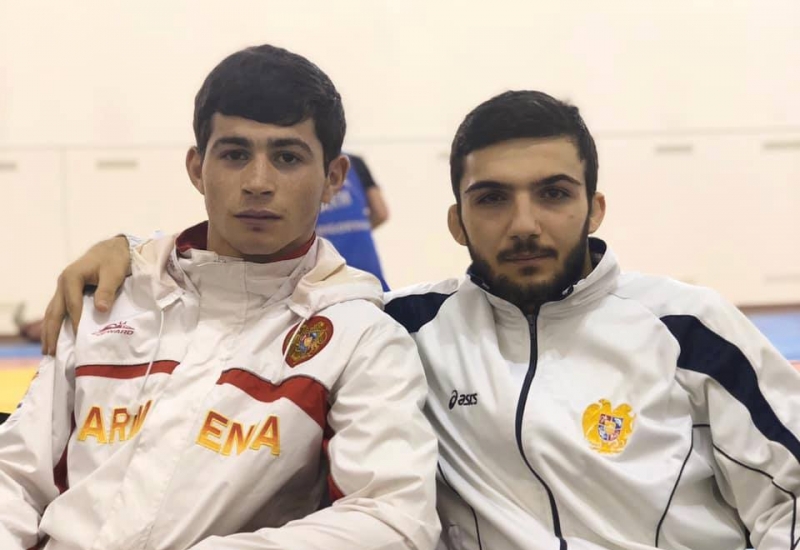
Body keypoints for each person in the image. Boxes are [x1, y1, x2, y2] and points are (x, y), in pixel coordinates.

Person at [38, 90, 800, 550]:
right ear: (457, 220)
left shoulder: (691, 328)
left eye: (554, 194)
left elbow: (789, 500)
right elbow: (252, 292)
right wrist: (137, 254)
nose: (524, 223)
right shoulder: (400, 327)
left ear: (594, 208)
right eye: (492, 199)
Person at [0, 44, 440, 550]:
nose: (257, 183)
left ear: (333, 179)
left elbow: (392, 520)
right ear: (197, 168)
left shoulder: (359, 337)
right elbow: (14, 476)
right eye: (234, 154)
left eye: (287, 157)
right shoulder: (110, 299)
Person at [316, 153, 391, 290]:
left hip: (325, 274)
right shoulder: (355, 162)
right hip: (367, 269)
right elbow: (381, 213)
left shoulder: (305, 163)